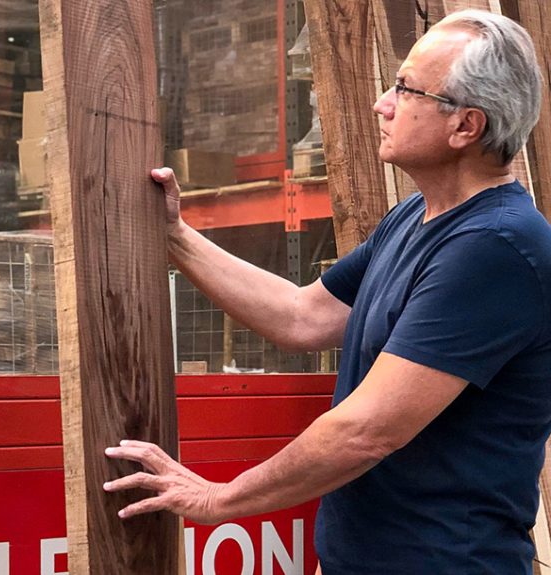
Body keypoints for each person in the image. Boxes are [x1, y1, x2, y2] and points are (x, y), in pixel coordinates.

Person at [103, 9, 551, 574]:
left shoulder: (497, 247)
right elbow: (302, 316)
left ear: (466, 126)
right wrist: (176, 237)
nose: (381, 103)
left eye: (406, 89)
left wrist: (218, 499)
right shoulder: (416, 217)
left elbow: (366, 432)